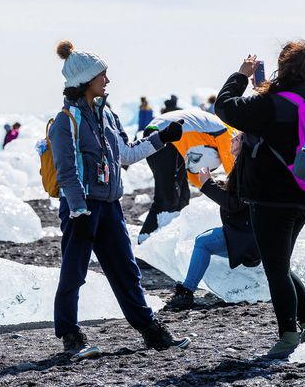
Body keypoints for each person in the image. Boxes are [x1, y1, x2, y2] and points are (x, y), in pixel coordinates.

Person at [49, 40, 189, 353]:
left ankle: (152, 333)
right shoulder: (65, 122)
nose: (108, 80)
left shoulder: (107, 116)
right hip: (81, 209)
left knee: (126, 270)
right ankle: (70, 338)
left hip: (110, 207)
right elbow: (67, 173)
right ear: (85, 81)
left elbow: (124, 154)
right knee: (74, 273)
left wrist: (161, 139)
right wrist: (79, 212)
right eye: (103, 75)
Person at [215, 41, 305, 359]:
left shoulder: (271, 103)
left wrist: (240, 75)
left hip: (271, 199)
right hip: (304, 195)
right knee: (280, 263)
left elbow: (225, 107)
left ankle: (289, 334)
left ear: (283, 68)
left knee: (276, 268)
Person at [170, 131, 261, 309]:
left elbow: (234, 204)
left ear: (247, 143)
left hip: (245, 234)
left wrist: (206, 184)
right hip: (245, 230)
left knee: (203, 242)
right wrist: (215, 183)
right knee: (204, 242)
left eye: (238, 138)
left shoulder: (247, 167)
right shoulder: (245, 164)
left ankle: (186, 292)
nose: (232, 139)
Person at [138, 109, 235, 244]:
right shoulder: (228, 136)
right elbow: (233, 174)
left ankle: (170, 241)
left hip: (164, 134)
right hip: (165, 136)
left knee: (183, 197)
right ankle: (145, 244)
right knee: (167, 199)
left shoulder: (208, 136)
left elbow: (196, 175)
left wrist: (209, 187)